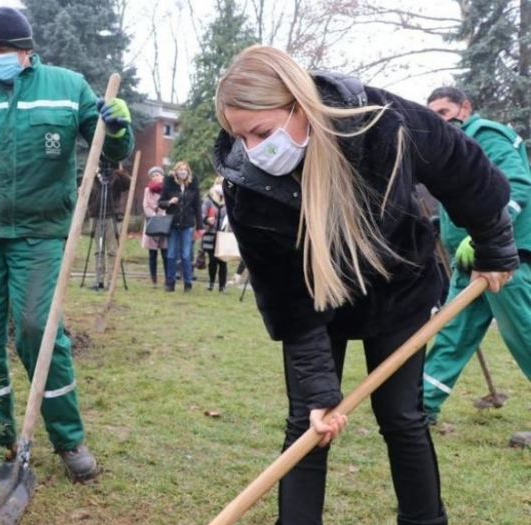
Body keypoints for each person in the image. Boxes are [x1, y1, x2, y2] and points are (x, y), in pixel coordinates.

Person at [213, 45, 517, 525]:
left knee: (401, 417)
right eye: (240, 136)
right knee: (308, 426)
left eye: (262, 133)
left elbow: (464, 170)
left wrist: (494, 247)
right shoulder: (246, 181)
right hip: (314, 298)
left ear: (301, 104)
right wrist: (318, 391)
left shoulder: (383, 124)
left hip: (398, 288)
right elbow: (285, 293)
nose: (252, 150)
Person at [0, 6, 134, 482]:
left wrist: (119, 127)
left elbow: (109, 150)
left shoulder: (66, 87)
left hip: (41, 235)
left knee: (39, 332)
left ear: (27, 49)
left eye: (6, 49)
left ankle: (68, 439)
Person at [422, 87, 531, 441]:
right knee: (452, 334)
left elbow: (515, 187)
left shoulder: (487, 136)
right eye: (433, 113)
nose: (439, 118)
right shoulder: (450, 149)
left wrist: (486, 235)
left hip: (504, 257)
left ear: (465, 108)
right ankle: (420, 409)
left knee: (525, 335)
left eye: (444, 111)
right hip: (468, 261)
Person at [158, 161, 203, 292]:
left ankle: (188, 283)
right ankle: (170, 282)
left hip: (187, 224)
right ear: (176, 171)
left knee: (186, 255)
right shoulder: (169, 185)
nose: (182, 172)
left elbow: (197, 207)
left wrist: (200, 225)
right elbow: (161, 203)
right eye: (180, 169)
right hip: (173, 223)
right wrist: (169, 202)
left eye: (185, 170)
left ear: (188, 172)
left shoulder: (192, 187)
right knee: (171, 254)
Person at [86, 163, 131, 290]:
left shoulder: (115, 176)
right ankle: (98, 280)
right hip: (96, 216)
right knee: (98, 250)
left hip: (112, 216)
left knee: (112, 250)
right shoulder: (93, 176)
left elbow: (127, 183)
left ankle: (112, 281)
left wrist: (118, 170)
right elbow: (85, 191)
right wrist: (93, 173)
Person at [141, 166, 169, 287]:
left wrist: (163, 215)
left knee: (165, 253)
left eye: (158, 175)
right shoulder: (148, 190)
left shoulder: (168, 189)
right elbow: (145, 205)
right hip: (152, 222)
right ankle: (154, 280)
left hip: (164, 222)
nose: (156, 177)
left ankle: (168, 279)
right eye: (153, 176)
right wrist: (153, 216)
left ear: (162, 176)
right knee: (152, 254)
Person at [200, 176, 227, 291]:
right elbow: (201, 214)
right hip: (211, 233)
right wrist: (206, 219)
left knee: (223, 262)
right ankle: (211, 282)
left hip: (224, 235)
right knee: (212, 260)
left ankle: (222, 285)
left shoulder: (230, 200)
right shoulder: (208, 200)